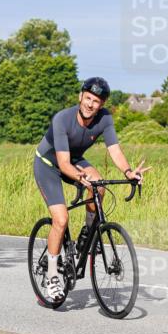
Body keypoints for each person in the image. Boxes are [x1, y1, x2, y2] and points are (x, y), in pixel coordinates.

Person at [33, 77, 150, 301]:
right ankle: (52, 276)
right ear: (80, 97)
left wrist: (128, 172)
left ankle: (87, 234)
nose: (90, 105)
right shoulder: (62, 119)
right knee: (61, 219)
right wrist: (80, 177)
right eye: (88, 98)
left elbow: (114, 150)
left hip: (74, 159)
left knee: (100, 186)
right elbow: (63, 164)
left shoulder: (104, 119)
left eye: (96, 101)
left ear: (102, 104)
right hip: (49, 165)